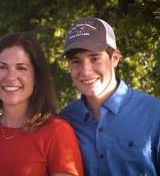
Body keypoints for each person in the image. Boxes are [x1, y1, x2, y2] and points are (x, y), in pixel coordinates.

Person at [0, 32, 84, 176]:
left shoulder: (57, 131)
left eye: (21, 68)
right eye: (2, 67)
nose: (11, 77)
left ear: (36, 77)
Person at [60, 17, 160, 175]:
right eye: (76, 61)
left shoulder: (155, 113)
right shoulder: (65, 121)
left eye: (95, 58)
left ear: (114, 58)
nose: (86, 71)